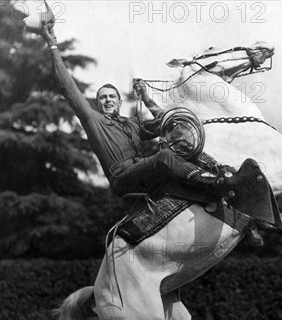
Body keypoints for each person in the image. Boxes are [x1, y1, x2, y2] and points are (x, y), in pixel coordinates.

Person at [41, 23, 231, 200]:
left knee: (184, 146)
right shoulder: (94, 121)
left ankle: (223, 182)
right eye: (103, 97)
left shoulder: (131, 124)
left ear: (119, 101)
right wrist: (52, 46)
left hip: (145, 172)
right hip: (123, 178)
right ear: (97, 104)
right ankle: (216, 182)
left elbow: (166, 123)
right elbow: (68, 88)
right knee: (165, 156)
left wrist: (146, 98)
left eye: (111, 96)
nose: (107, 100)